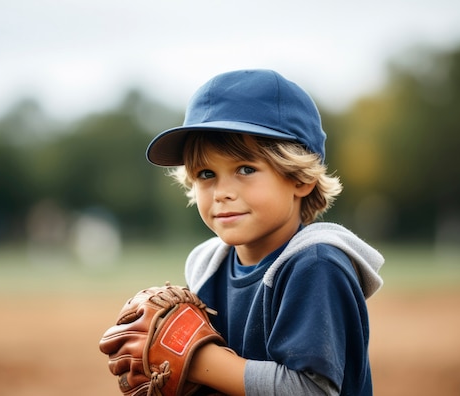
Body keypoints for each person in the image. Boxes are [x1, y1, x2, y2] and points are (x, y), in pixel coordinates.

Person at [145, 69, 384, 396]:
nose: (221, 192)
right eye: (206, 173)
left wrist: (198, 360)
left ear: (300, 178)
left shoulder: (316, 265)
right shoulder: (206, 266)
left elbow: (311, 390)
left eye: (245, 169)